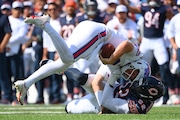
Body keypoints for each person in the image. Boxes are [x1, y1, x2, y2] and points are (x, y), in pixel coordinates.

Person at [14, 14, 151, 105]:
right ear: (138, 65)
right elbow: (126, 45)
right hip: (99, 34)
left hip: (93, 37)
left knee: (61, 65)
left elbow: (97, 81)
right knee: (68, 59)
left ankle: (26, 83)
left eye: (130, 78)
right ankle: (45, 25)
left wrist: (102, 105)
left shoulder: (117, 71)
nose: (128, 75)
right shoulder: (136, 56)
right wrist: (111, 59)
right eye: (133, 74)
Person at [120, 0, 174, 104]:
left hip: (159, 40)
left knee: (164, 67)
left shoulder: (163, 8)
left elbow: (171, 16)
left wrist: (168, 6)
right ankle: (135, 93)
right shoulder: (145, 8)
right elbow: (130, 9)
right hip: (146, 40)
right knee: (137, 65)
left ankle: (166, 95)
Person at [64, 68, 164, 114]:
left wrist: (112, 77)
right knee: (81, 77)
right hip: (112, 87)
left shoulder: (137, 106)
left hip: (102, 104)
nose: (137, 83)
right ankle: (61, 69)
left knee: (68, 108)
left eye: (141, 85)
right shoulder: (143, 94)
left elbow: (106, 102)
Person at [0, 7, 12, 104]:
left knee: (2, 74)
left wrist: (2, 46)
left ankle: (7, 96)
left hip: (0, 50)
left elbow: (8, 33)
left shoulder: (3, 17)